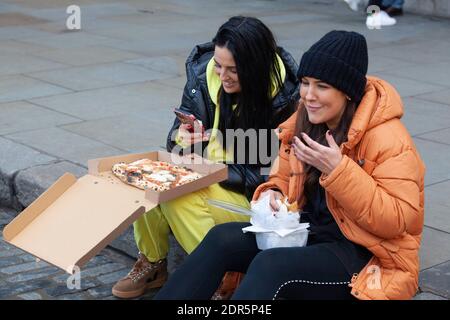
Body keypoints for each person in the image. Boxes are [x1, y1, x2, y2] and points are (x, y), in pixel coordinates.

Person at [154, 30, 425, 300]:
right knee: (221, 239)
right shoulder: (303, 121)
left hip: (367, 256)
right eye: (305, 82)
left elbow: (399, 221)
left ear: (348, 92)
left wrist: (340, 171)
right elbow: (281, 178)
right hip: (308, 232)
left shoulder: (388, 138)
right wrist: (274, 192)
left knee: (270, 266)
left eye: (322, 86)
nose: (308, 95)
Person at [111, 16, 299, 299]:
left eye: (233, 70)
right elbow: (177, 140)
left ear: (255, 67)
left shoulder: (284, 100)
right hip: (210, 175)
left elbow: (267, 175)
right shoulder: (203, 76)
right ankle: (152, 263)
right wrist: (182, 139)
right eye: (219, 65)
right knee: (147, 178)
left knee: (177, 196)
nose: (222, 76)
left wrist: (212, 167)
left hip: (256, 196)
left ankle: (219, 273)